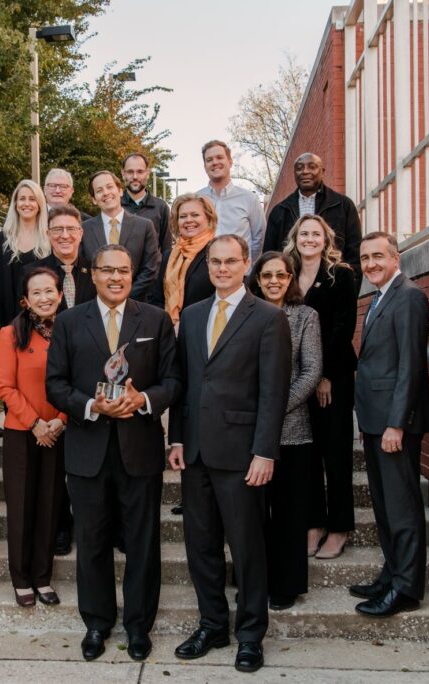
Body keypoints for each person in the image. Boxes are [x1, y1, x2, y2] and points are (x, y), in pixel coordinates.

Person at [46, 244, 181, 662]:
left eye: (124, 270)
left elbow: (174, 381)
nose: (116, 278)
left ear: (132, 272)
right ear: (93, 273)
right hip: (87, 450)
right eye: (108, 270)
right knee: (91, 542)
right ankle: (97, 623)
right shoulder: (69, 321)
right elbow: (55, 384)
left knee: (142, 542)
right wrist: (90, 406)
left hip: (138, 449)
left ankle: (139, 626)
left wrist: (142, 400)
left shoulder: (155, 320)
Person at [167, 234, 290, 674]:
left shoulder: (268, 318)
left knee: (247, 548)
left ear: (246, 264)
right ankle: (212, 624)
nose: (221, 268)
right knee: (201, 547)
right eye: (215, 262)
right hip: (196, 452)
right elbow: (183, 385)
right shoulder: (195, 314)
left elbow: (274, 393)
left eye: (229, 261)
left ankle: (251, 635)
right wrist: (177, 439)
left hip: (242, 455)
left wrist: (264, 452)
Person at [350, 232, 429, 617]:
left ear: (396, 258)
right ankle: (391, 572)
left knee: (401, 506)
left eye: (378, 257)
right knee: (384, 506)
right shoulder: (377, 298)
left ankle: (406, 588)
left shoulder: (410, 296)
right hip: (373, 419)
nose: (371, 264)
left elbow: (411, 365)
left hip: (393, 424)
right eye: (365, 258)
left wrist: (396, 424)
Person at [249, 251, 322, 611]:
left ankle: (287, 584)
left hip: (292, 430)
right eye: (267, 276)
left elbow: (311, 372)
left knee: (290, 514)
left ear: (291, 278)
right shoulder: (247, 315)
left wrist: (273, 410)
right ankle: (254, 577)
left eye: (281, 275)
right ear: (258, 280)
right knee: (254, 514)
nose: (274, 281)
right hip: (251, 434)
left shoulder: (305, 316)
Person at [284, 215, 359, 560]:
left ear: (325, 239)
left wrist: (325, 375)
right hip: (299, 380)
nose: (309, 239)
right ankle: (313, 523)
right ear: (295, 238)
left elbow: (343, 328)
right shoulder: (288, 274)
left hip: (333, 378)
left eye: (316, 234)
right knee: (308, 455)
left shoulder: (340, 275)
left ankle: (340, 526)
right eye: (304, 234)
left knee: (336, 452)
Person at [0, 267, 68, 607]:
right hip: (22, 433)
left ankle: (43, 576)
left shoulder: (70, 331)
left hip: (58, 431)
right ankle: (21, 578)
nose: (44, 298)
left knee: (50, 507)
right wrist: (36, 423)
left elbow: (78, 382)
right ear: (26, 299)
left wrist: (60, 421)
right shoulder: (10, 334)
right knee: (22, 509)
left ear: (61, 294)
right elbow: (5, 387)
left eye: (49, 291)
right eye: (36, 292)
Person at [31, 203, 95, 556]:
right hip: (50, 374)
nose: (65, 235)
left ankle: (98, 523)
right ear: (49, 234)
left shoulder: (95, 269)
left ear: (81, 233)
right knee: (55, 464)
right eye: (58, 230)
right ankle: (60, 526)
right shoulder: (35, 272)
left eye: (72, 229)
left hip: (89, 375)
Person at [264, 152, 363, 284]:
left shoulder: (343, 206)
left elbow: (355, 253)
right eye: (299, 168)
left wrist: (350, 289)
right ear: (294, 173)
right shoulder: (279, 211)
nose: (305, 171)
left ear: (322, 171)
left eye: (312, 166)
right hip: (291, 288)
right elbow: (269, 257)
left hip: (333, 286)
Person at [80, 171, 161, 302]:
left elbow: (151, 268)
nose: (106, 193)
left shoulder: (144, 226)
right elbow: (83, 270)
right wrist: (103, 299)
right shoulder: (84, 229)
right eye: (99, 190)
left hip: (136, 304)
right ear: (94, 199)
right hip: (96, 305)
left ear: (120, 191)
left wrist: (125, 298)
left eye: (109, 187)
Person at [0, 179, 52, 325]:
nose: (27, 203)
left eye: (32, 199)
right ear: (15, 204)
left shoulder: (49, 239)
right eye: (22, 199)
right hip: (7, 317)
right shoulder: (1, 240)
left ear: (40, 204)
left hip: (43, 318)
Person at [150, 193, 217, 327]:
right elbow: (157, 298)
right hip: (170, 333)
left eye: (195, 215)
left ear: (208, 219)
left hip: (204, 330)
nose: (188, 220)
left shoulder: (217, 252)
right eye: (183, 216)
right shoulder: (169, 255)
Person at [196, 140, 266, 261]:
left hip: (241, 275)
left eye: (219, 157)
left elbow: (259, 239)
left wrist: (245, 265)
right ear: (205, 166)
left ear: (230, 162)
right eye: (209, 160)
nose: (215, 162)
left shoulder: (249, 199)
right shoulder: (197, 199)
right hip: (205, 273)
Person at [121, 152, 172, 256]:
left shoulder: (161, 207)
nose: (135, 177)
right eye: (130, 172)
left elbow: (166, 249)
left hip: (154, 272)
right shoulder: (114, 205)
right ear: (123, 173)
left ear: (147, 173)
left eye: (140, 171)